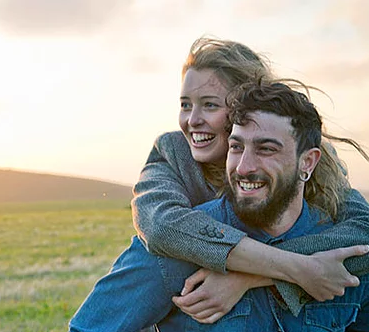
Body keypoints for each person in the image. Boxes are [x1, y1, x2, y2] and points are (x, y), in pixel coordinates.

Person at [68, 38, 369, 332]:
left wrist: (248, 277)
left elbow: (363, 234)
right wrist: (298, 269)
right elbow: (161, 227)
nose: (193, 119)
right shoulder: (174, 155)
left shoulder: (318, 175)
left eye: (210, 105)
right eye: (185, 105)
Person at [155, 79, 369, 331]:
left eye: (266, 149)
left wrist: (249, 276)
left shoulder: (341, 249)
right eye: (236, 147)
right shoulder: (173, 253)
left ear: (308, 163)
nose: (244, 167)